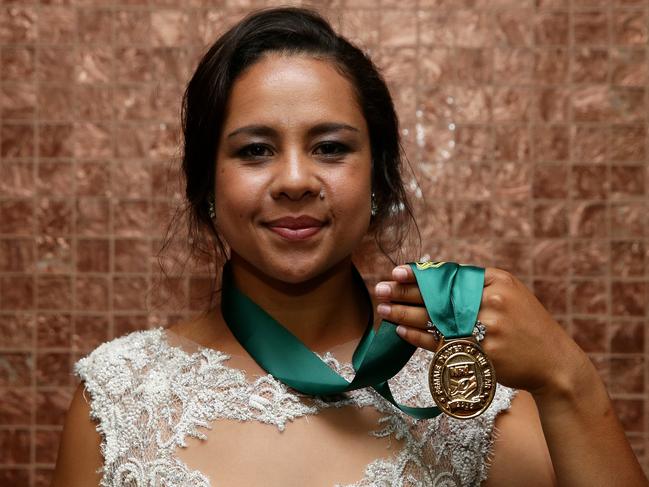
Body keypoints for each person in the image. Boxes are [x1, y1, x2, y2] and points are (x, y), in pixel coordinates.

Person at [52, 6, 646, 487]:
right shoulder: (119, 397)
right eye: (255, 149)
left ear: (379, 179)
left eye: (330, 147)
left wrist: (568, 378)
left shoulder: (473, 394)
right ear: (207, 185)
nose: (293, 180)